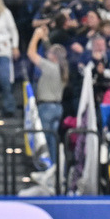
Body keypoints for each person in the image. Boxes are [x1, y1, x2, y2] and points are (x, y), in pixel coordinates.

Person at [26, 25, 69, 164]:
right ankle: (54, 168)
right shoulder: (63, 69)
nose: (47, 54)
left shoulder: (49, 67)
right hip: (58, 108)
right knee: (52, 140)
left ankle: (44, 166)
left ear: (54, 57)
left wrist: (36, 36)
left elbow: (31, 53)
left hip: (46, 107)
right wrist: (45, 39)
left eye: (50, 53)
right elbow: (51, 51)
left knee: (43, 139)